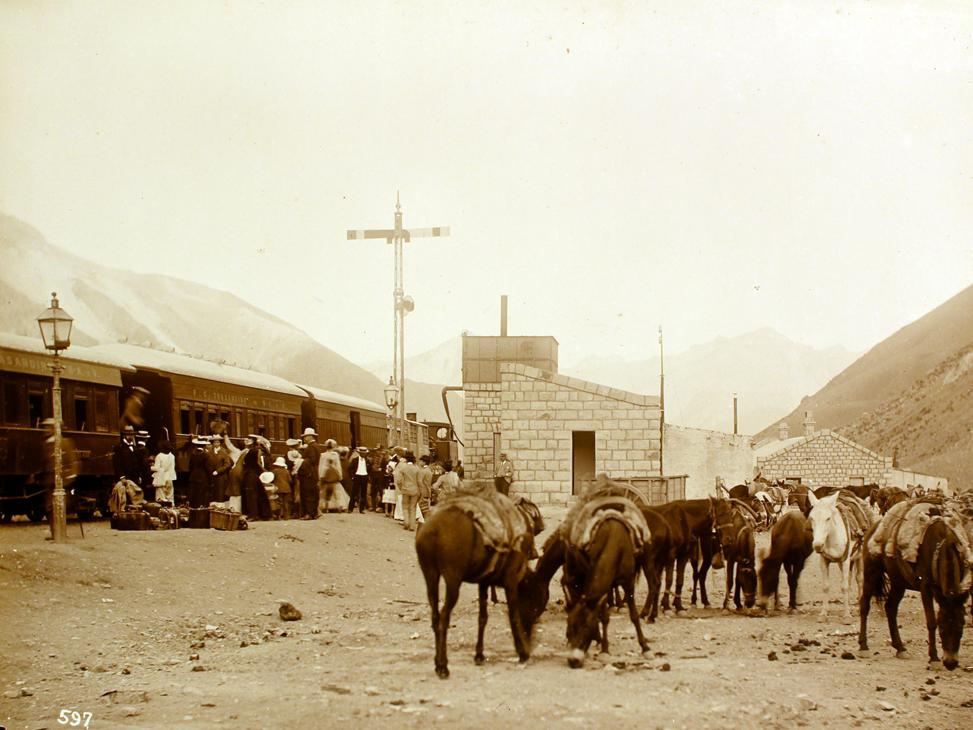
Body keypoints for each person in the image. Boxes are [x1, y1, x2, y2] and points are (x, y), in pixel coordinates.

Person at [241, 434, 271, 520]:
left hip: (251, 474)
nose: (247, 440)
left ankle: (253, 515)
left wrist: (264, 471)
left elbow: (258, 463)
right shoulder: (252, 450)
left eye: (249, 439)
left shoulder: (255, 450)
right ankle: (263, 514)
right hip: (252, 473)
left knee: (251, 495)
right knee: (258, 494)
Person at [298, 428, 321, 519]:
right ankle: (314, 513)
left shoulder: (311, 447)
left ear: (310, 436)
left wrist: (301, 461)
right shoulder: (316, 446)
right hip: (314, 473)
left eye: (305, 437)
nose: (304, 439)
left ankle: (309, 513)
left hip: (309, 474)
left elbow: (312, 460)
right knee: (313, 493)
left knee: (308, 493)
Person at [395, 451, 420, 531]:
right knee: (413, 507)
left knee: (405, 507)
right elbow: (419, 481)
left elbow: (398, 480)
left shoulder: (403, 468)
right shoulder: (417, 468)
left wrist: (400, 487)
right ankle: (412, 526)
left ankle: (406, 522)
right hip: (415, 490)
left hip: (405, 489)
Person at [318, 439, 343, 515]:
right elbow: (338, 466)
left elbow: (320, 466)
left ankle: (325, 507)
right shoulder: (335, 455)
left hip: (325, 475)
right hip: (334, 475)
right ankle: (339, 506)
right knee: (336, 492)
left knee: (324, 492)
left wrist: (321, 476)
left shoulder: (322, 455)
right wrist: (340, 475)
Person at [208, 434, 234, 503]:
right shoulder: (210, 451)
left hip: (221, 477)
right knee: (213, 494)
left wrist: (218, 471)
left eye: (218, 442)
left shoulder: (224, 452)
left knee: (220, 495)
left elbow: (227, 464)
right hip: (212, 476)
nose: (216, 443)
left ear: (220, 443)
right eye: (215, 442)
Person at [187, 438, 212, 507]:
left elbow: (190, 467)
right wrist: (211, 481)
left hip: (193, 477)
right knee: (202, 498)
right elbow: (208, 469)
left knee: (194, 497)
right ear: (204, 446)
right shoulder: (206, 455)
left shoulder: (192, 454)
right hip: (203, 478)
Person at [151, 440, 177, 506]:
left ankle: (163, 512)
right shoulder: (172, 456)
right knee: (170, 496)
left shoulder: (159, 456)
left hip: (161, 479)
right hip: (170, 478)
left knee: (161, 498)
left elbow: (156, 468)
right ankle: (171, 510)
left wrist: (151, 467)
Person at [348, 446, 370, 514]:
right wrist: (352, 476)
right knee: (354, 493)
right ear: (359, 453)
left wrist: (368, 476)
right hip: (357, 477)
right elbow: (350, 469)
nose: (363, 454)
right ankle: (350, 508)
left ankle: (362, 509)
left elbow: (369, 469)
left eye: (364, 453)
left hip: (364, 477)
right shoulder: (355, 460)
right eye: (362, 453)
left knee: (363, 494)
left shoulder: (367, 461)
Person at [368, 445, 387, 512]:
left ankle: (382, 507)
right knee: (373, 492)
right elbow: (370, 468)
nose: (378, 452)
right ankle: (373, 506)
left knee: (381, 492)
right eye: (377, 450)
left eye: (379, 450)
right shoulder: (372, 459)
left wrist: (381, 470)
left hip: (380, 478)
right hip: (373, 477)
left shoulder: (384, 459)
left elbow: (385, 469)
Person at [417, 454, 433, 520]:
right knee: (426, 509)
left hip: (422, 492)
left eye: (420, 461)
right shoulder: (429, 470)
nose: (419, 462)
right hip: (427, 491)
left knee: (422, 509)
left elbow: (419, 482)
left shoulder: (422, 471)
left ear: (424, 462)